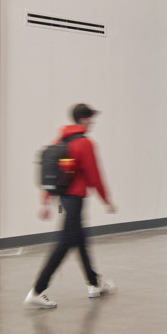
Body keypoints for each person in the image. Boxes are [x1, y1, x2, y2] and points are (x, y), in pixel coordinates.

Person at [25, 103, 117, 309]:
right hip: (75, 198)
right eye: (90, 118)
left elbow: (51, 170)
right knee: (65, 243)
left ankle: (94, 283)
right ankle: (38, 290)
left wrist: (45, 199)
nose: (92, 121)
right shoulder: (85, 143)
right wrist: (107, 200)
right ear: (83, 119)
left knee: (80, 240)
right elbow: (95, 175)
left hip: (64, 198)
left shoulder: (61, 139)